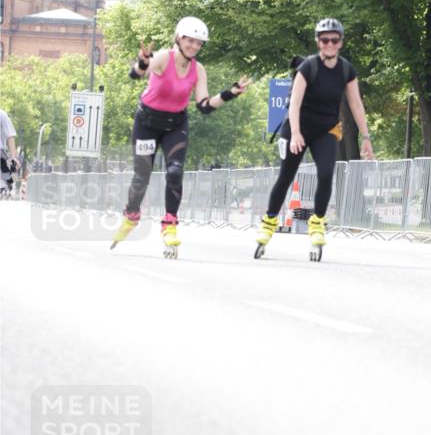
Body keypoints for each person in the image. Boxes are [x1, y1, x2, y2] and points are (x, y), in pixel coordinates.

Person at [111, 17, 250, 255]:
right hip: (147, 123)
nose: (194, 47)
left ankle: (170, 224)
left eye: (199, 43)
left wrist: (230, 93)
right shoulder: (164, 57)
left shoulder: (198, 70)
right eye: (190, 41)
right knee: (141, 177)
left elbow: (204, 106)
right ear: (179, 38)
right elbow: (136, 75)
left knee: (175, 172)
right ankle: (131, 215)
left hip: (175, 124)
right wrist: (143, 62)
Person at [256, 18, 374, 256]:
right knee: (286, 176)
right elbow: (294, 105)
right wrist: (296, 134)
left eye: (334, 40)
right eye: (324, 40)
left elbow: (357, 105)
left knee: (326, 173)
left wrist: (366, 137)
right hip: (297, 126)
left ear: (340, 42)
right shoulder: (308, 67)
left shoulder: (346, 70)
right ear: (318, 42)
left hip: (326, 129)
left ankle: (317, 222)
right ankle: (269, 222)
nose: (329, 44)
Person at [0, 108, 19, 199]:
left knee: (5, 177)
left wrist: (13, 157)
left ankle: (7, 188)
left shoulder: (1, 115)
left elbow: (10, 137)